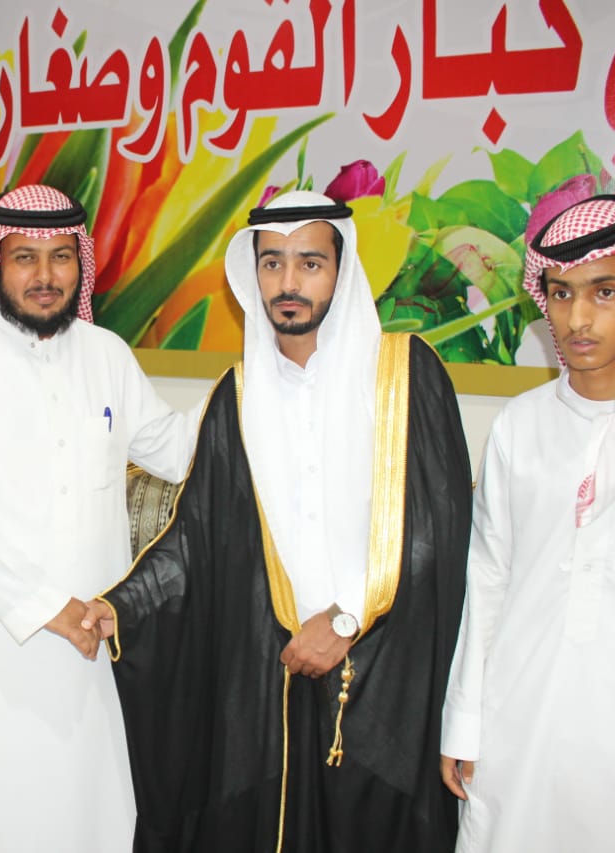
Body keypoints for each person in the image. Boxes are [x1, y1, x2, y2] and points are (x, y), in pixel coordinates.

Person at [84, 190, 472, 852]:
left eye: (310, 263)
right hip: (275, 678)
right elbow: (195, 539)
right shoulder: (237, 397)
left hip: (385, 679)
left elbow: (437, 528)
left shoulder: (406, 374)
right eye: (272, 263)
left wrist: (346, 620)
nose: (288, 282)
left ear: (342, 270)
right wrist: (122, 607)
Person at [0, 184, 197, 852]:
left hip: (90, 638)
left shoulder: (106, 354)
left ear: (79, 262)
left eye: (61, 256)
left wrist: (257, 392)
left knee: (91, 808)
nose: (45, 275)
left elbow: (180, 450)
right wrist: (44, 607)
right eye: (25, 257)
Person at [441, 193, 615, 851]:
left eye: (605, 292)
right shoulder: (521, 424)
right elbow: (490, 580)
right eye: (560, 294)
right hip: (520, 729)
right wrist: (465, 721)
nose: (578, 318)